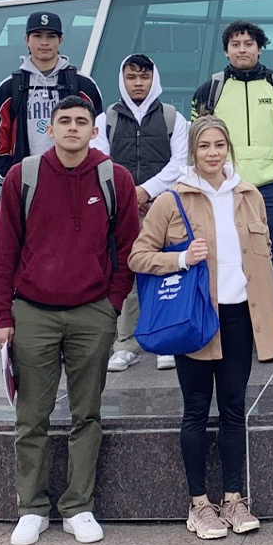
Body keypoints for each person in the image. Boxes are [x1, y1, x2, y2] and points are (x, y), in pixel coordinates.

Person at [0, 96, 139, 545]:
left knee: (86, 413)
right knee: (31, 416)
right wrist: (3, 315)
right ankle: (32, 508)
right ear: (50, 129)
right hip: (32, 312)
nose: (73, 128)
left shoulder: (114, 178)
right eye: (64, 121)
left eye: (81, 122)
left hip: (92, 312)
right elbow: (3, 250)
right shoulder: (24, 177)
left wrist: (111, 304)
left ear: (95, 130)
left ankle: (79, 507)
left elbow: (128, 248)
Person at [129, 116, 273, 539]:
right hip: (196, 317)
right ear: (192, 151)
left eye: (219, 145)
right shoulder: (171, 199)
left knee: (234, 408)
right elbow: (138, 256)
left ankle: (233, 498)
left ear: (228, 148)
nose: (213, 153)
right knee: (196, 410)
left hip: (239, 317)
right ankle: (199, 504)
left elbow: (263, 259)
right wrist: (180, 259)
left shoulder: (249, 194)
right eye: (204, 146)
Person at [92, 54, 190, 374]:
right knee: (127, 275)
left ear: (153, 79)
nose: (138, 83)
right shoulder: (105, 119)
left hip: (163, 208)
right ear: (123, 80)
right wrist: (128, 195)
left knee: (164, 272)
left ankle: (166, 341)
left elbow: (179, 164)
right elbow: (100, 161)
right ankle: (126, 345)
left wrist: (146, 191)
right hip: (122, 211)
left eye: (144, 77)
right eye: (132, 77)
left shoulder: (173, 118)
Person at [191, 20, 273, 292]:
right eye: (235, 44)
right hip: (223, 189)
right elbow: (195, 139)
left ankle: (266, 332)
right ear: (226, 51)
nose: (243, 50)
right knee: (223, 259)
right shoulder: (210, 90)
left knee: (266, 261)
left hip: (268, 191)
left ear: (260, 49)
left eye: (249, 44)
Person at [0, 11, 104, 184]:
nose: (44, 42)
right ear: (27, 39)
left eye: (51, 36)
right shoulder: (8, 89)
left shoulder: (83, 85)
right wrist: (15, 184)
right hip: (28, 187)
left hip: (77, 184)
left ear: (60, 40)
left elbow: (99, 141)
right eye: (37, 35)